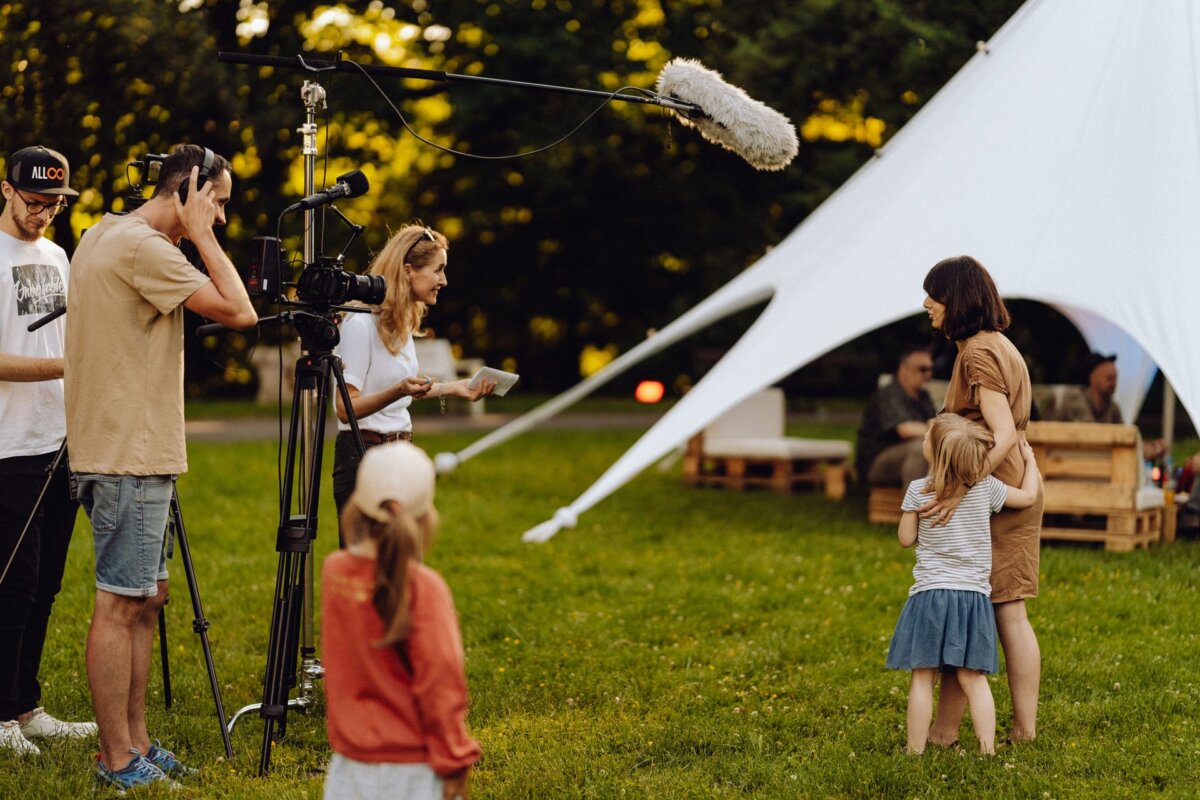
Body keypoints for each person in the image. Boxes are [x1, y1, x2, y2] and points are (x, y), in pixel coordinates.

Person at [65, 144, 257, 790]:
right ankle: (115, 758)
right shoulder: (146, 247)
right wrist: (199, 233)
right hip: (127, 454)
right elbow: (240, 311)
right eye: (218, 202)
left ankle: (138, 741)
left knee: (148, 596)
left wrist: (195, 229)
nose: (222, 218)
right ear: (186, 190)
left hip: (131, 449)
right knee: (121, 602)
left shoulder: (104, 233)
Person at [919, 255, 1044, 745]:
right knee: (978, 608)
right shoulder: (994, 345)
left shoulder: (977, 353)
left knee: (998, 610)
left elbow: (1003, 434)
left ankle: (1020, 730)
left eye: (935, 294)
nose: (927, 304)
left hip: (999, 496)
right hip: (1007, 491)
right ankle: (946, 731)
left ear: (958, 299)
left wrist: (963, 487)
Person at [0, 146, 98, 755]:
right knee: (13, 581)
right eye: (35, 202)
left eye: (55, 205)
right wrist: (69, 366)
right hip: (7, 445)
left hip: (61, 439)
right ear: (6, 191)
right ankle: (0, 718)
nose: (43, 215)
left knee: (49, 583)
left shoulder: (59, 254)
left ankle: (26, 705)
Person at [322, 441, 480, 800]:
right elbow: (441, 681)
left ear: (356, 506)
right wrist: (455, 758)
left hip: (348, 766)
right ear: (425, 517)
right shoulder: (426, 588)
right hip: (415, 771)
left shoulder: (335, 573)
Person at [887, 414, 1041, 755]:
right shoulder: (986, 488)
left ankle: (914, 751)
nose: (925, 434)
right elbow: (1029, 497)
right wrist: (1030, 462)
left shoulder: (917, 490)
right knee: (974, 678)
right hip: (973, 600)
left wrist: (911, 511)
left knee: (923, 678)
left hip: (930, 597)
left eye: (928, 434)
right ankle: (987, 751)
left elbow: (904, 539)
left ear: (936, 453)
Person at [332, 224, 494, 542]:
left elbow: (404, 387)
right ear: (408, 270)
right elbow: (343, 407)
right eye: (438, 270)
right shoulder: (361, 324)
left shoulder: (402, 323)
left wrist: (455, 387)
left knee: (401, 560)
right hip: (363, 453)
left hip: (401, 451)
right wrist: (398, 390)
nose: (443, 281)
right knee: (366, 566)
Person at [1041, 352, 1168, 460]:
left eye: (1115, 378)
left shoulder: (1112, 408)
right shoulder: (1074, 400)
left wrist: (1149, 448)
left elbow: (1124, 438)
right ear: (1093, 378)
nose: (1114, 383)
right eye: (1109, 378)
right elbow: (1092, 436)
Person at [856, 345, 938, 487]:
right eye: (923, 369)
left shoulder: (923, 396)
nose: (928, 375)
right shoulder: (889, 394)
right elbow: (905, 430)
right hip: (876, 460)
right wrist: (935, 427)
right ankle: (914, 508)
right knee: (920, 449)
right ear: (904, 369)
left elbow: (935, 425)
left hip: (905, 453)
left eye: (930, 369)